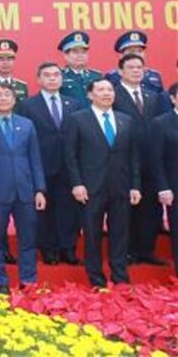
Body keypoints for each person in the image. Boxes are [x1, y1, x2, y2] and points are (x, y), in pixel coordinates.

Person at [64, 78, 141, 287]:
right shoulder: (78, 119)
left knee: (120, 234)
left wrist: (135, 185)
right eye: (101, 90)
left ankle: (120, 277)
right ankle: (96, 278)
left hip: (121, 186)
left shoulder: (126, 120)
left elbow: (134, 156)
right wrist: (77, 183)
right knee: (92, 233)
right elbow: (70, 155)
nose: (107, 93)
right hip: (90, 187)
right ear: (90, 95)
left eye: (110, 90)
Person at [0, 81, 46, 293]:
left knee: (28, 238)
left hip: (25, 190)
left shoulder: (26, 124)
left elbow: (35, 158)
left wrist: (40, 189)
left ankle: (28, 280)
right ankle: (1, 282)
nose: (3, 98)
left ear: (14, 99)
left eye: (7, 95)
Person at [16, 62, 82, 265]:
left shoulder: (74, 104)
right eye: (47, 75)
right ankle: (48, 249)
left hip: (69, 166)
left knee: (69, 209)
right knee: (44, 209)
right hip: (40, 165)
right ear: (38, 79)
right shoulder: (27, 105)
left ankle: (68, 248)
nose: (52, 78)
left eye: (56, 75)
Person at [110, 54, 168, 265]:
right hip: (124, 160)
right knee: (126, 208)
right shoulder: (113, 95)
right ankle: (127, 251)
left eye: (139, 67)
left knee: (151, 207)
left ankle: (146, 250)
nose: (136, 71)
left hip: (152, 159)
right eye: (131, 67)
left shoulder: (154, 96)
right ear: (120, 72)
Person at [149, 83, 177, 276]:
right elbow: (156, 159)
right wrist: (163, 187)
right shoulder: (161, 123)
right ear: (173, 99)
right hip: (174, 186)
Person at [58, 32, 101, 108]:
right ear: (66, 56)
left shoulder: (97, 76)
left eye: (83, 52)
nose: (80, 55)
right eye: (75, 52)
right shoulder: (59, 76)